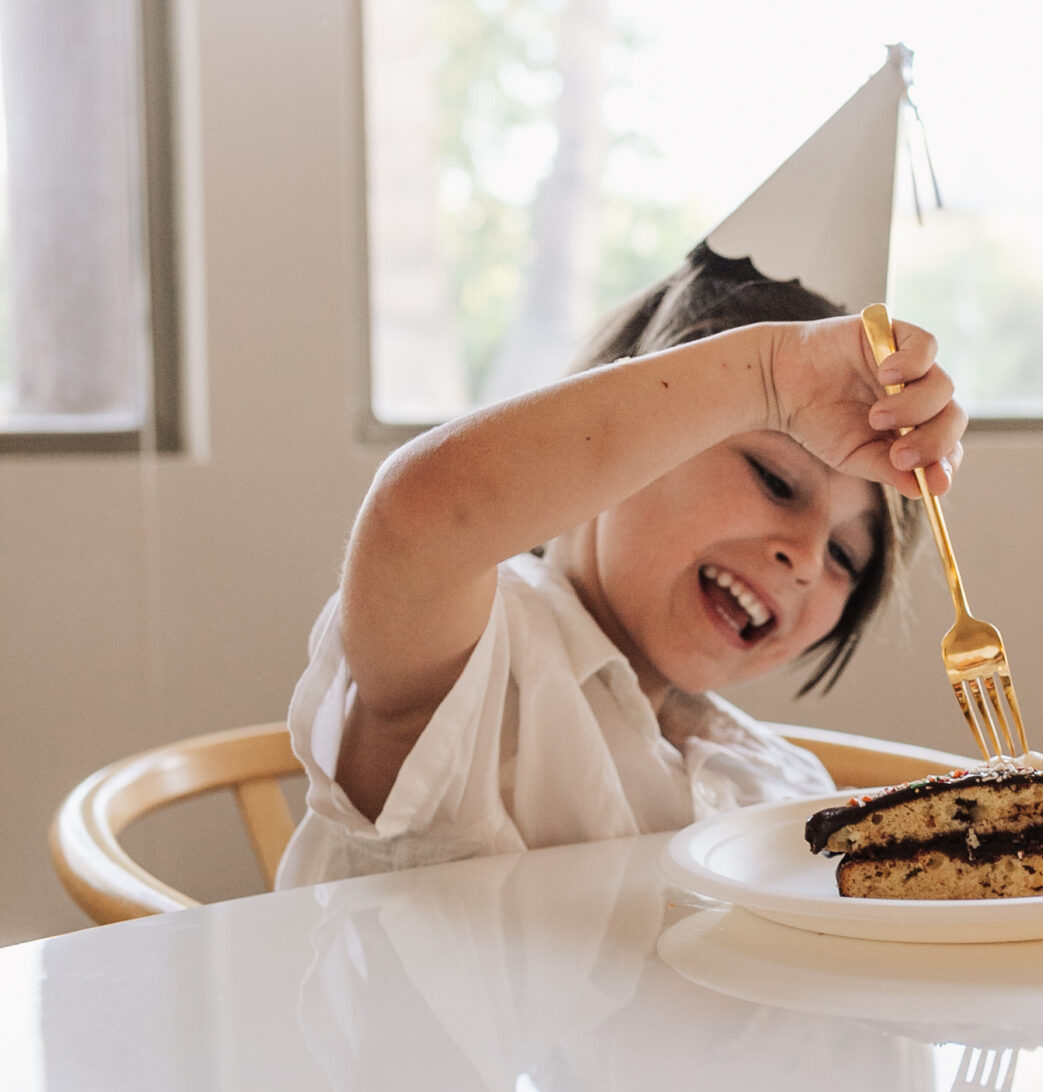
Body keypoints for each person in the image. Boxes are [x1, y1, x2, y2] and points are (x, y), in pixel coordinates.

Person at [275, 247, 965, 888]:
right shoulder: (484, 662)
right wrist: (766, 375)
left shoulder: (775, 784)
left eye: (847, 556)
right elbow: (422, 518)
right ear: (640, 436)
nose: (808, 558)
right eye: (775, 481)